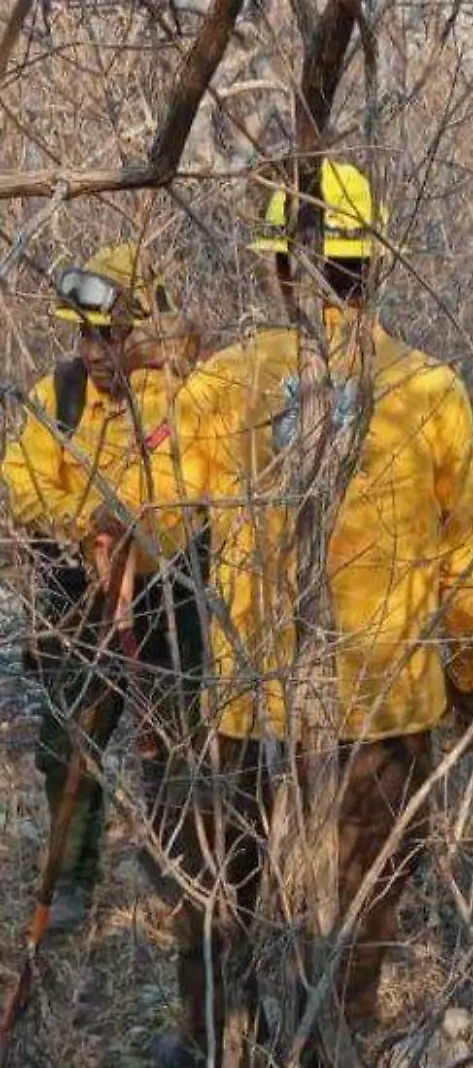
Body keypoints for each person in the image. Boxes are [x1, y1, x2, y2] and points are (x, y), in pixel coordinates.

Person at [119, 159, 473, 1064]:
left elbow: (159, 524)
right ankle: (339, 1039)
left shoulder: (224, 383)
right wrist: (465, 673)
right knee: (362, 899)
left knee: (222, 885)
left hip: (251, 705)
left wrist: (145, 420)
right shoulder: (429, 389)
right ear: (371, 267)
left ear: (279, 268)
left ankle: (213, 1038)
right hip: (383, 707)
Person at [0, 242, 204, 936]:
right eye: (83, 333)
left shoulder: (181, 397)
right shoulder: (56, 394)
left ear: (139, 333)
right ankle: (69, 884)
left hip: (164, 598)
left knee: (177, 746)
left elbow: (196, 488)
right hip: (77, 595)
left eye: (107, 334)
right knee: (67, 744)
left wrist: (140, 525)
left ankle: (187, 883)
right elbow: (24, 481)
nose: (90, 350)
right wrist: (82, 525)